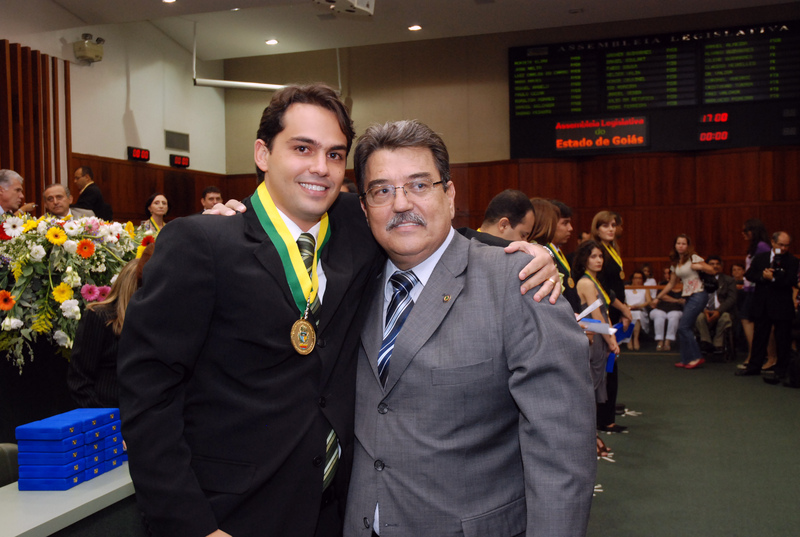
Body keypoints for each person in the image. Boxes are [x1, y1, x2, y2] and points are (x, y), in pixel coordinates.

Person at [118, 84, 560, 537]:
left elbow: (425, 225)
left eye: (334, 154)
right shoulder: (201, 244)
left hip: (337, 511)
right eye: (302, 148)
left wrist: (523, 254)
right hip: (231, 514)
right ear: (263, 154)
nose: (320, 167)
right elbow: (146, 396)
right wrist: (190, 526)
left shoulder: (355, 223)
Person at [344, 119, 595, 537]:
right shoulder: (351, 280)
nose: (401, 203)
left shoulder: (519, 282)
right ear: (365, 206)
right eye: (382, 190)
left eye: (419, 185)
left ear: (449, 194)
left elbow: (562, 450)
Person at [68, 248, 152, 407]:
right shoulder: (99, 317)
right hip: (106, 411)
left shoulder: (148, 320)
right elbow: (80, 378)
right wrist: (102, 416)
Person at [736, 231, 799, 383]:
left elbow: (790, 281)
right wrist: (763, 277)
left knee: (782, 339)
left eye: (786, 245)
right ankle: (754, 366)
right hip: (762, 304)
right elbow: (749, 274)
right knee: (759, 337)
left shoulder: (792, 260)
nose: (783, 248)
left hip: (782, 306)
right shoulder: (761, 258)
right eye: (780, 245)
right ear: (773, 242)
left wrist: (774, 279)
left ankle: (781, 369)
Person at [590, 211, 632, 433]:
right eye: (605, 226)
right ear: (596, 229)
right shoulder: (598, 252)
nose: (610, 229)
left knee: (612, 364)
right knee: (607, 365)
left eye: (613, 225)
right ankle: (605, 419)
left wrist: (624, 309)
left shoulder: (613, 249)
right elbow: (605, 289)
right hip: (606, 312)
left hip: (616, 312)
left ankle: (607, 410)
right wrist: (623, 308)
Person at [651, 234, 714, 369]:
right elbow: (671, 283)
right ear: (675, 245)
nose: (681, 246)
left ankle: (696, 357)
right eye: (678, 243)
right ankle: (686, 359)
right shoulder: (676, 263)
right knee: (684, 328)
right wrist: (658, 297)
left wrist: (700, 267)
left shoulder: (693, 257)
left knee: (683, 327)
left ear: (688, 246)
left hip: (698, 294)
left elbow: (711, 270)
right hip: (688, 296)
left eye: (683, 243)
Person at [738, 218, 771, 368]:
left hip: (756, 289)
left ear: (753, 231)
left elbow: (764, 266)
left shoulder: (762, 246)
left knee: (748, 319)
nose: (743, 233)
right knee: (747, 319)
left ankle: (755, 355)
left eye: (745, 230)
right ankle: (755, 354)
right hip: (750, 288)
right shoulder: (756, 246)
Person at [695, 255, 737, 354]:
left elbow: (732, 298)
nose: (715, 266)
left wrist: (719, 311)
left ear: (721, 266)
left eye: (718, 264)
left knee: (725, 317)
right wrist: (703, 309)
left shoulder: (728, 280)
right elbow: (695, 297)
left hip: (722, 310)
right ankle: (706, 342)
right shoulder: (699, 280)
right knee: (698, 317)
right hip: (704, 310)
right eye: (712, 264)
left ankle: (718, 344)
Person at [549, 199, 580, 313]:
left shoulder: (558, 252)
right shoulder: (546, 253)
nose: (570, 228)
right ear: (550, 224)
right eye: (565, 223)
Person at [650, 274, 684, 352]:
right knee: (659, 315)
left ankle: (668, 341)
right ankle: (660, 341)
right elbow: (662, 296)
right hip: (661, 308)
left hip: (676, 309)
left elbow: (684, 299)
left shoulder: (684, 286)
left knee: (674, 315)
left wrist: (680, 301)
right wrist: (677, 300)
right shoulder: (663, 284)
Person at [624, 270, 652, 351]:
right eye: (636, 278)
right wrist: (628, 306)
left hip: (640, 310)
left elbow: (648, 301)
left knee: (637, 314)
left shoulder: (645, 289)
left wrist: (638, 306)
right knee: (629, 314)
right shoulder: (626, 288)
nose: (638, 280)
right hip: (628, 310)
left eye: (640, 278)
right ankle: (629, 338)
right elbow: (622, 301)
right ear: (632, 279)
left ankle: (635, 339)